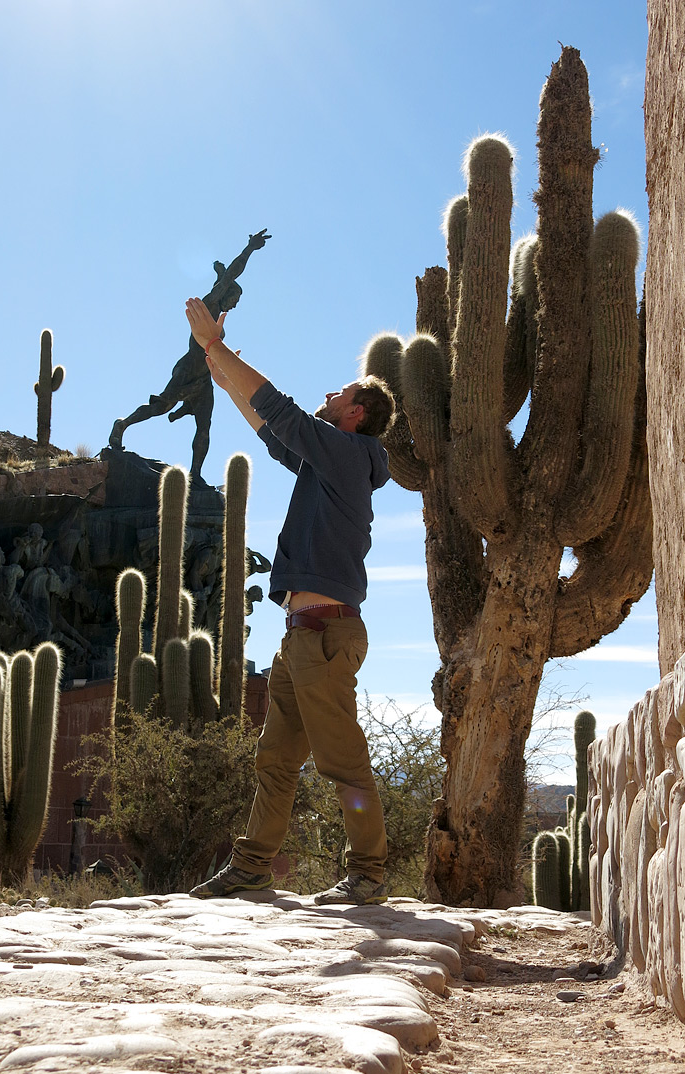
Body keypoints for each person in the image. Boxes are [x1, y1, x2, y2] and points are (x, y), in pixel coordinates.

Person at [184, 296, 396, 905]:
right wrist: (221, 370)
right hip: (303, 635)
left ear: (355, 413)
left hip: (324, 635)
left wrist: (217, 347)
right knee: (276, 758)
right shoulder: (327, 464)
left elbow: (281, 409)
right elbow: (270, 426)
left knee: (342, 760)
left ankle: (369, 872)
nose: (328, 394)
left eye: (339, 393)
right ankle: (253, 866)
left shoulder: (348, 454)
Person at [108, 230, 271, 487]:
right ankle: (122, 424)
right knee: (160, 407)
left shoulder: (218, 319)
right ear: (225, 293)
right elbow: (230, 276)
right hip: (187, 371)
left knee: (204, 427)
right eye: (235, 298)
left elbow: (225, 278)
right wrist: (249, 249)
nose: (236, 304)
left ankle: (195, 475)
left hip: (203, 379)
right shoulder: (209, 306)